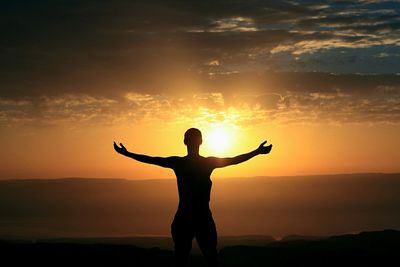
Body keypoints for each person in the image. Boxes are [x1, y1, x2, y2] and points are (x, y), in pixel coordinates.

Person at [113, 128, 272, 267]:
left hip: (184, 217)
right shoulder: (207, 163)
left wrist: (127, 154)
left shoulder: (178, 163)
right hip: (202, 218)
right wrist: (257, 152)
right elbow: (234, 160)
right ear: (201, 142)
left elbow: (151, 159)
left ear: (184, 142)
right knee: (210, 259)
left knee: (182, 260)